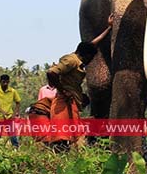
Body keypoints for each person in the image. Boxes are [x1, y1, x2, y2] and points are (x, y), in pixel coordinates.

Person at [46, 15, 113, 150]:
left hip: (72, 101)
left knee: (72, 136)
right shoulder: (71, 61)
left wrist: (109, 28)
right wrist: (62, 90)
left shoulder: (78, 58)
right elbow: (51, 72)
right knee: (62, 137)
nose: (91, 61)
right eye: (91, 58)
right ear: (86, 55)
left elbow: (92, 44)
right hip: (63, 103)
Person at [0, 74, 21, 148]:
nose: (5, 83)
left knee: (13, 135)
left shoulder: (12, 91)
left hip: (9, 117)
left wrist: (14, 114)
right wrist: (2, 112)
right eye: (3, 82)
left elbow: (18, 102)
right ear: (0, 81)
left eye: (7, 82)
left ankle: (15, 149)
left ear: (9, 82)